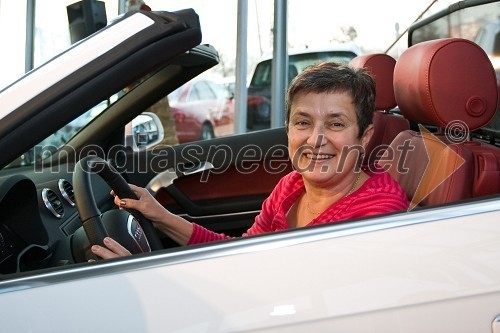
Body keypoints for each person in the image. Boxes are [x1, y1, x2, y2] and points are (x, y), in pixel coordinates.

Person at [91, 62, 410, 259]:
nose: (315, 139)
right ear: (288, 130)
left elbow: (287, 290)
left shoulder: (376, 213)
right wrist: (159, 216)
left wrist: (141, 273)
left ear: (364, 136)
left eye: (336, 124)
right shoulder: (292, 185)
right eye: (303, 122)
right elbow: (242, 255)